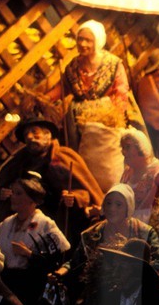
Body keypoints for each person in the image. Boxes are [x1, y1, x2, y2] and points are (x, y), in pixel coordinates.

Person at [47, 19, 144, 189]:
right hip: (78, 123)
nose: (83, 44)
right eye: (80, 39)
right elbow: (62, 89)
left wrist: (112, 119)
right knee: (80, 160)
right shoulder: (73, 66)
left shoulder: (113, 64)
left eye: (88, 40)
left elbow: (121, 92)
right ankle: (84, 189)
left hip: (104, 122)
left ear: (97, 42)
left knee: (105, 163)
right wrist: (43, 99)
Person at [0, 176, 71, 305]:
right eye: (13, 192)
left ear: (32, 199)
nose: (13, 197)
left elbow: (57, 260)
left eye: (19, 193)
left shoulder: (45, 224)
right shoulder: (6, 224)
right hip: (4, 283)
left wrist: (28, 254)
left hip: (30, 287)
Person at [63, 182, 159, 287]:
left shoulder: (144, 232)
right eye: (108, 203)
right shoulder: (92, 234)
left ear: (128, 208)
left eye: (118, 204)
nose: (112, 208)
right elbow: (74, 263)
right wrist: (60, 272)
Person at [118, 127, 159, 221]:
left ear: (141, 147)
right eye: (122, 148)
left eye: (128, 147)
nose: (123, 152)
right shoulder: (127, 172)